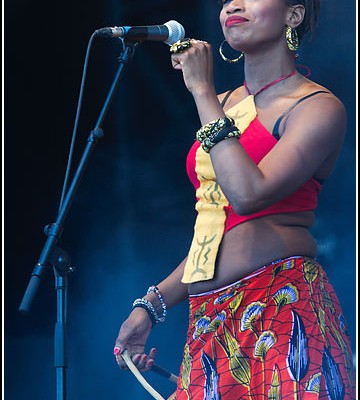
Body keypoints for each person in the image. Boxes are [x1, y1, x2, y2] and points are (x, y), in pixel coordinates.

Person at [113, 0, 356, 398]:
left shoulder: (317, 107)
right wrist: (151, 305)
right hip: (210, 320)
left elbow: (248, 195)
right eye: (226, 0)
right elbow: (214, 225)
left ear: (293, 15)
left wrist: (202, 91)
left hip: (283, 309)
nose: (233, 6)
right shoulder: (222, 106)